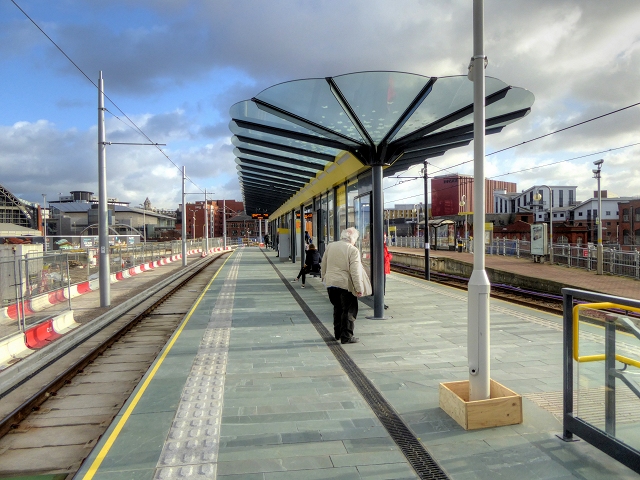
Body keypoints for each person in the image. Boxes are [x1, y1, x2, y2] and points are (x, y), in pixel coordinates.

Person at [321, 227, 368, 344]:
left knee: (337, 308)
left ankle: (337, 333)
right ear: (353, 239)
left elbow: (324, 263)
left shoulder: (331, 246)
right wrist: (359, 288)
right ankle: (346, 336)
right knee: (348, 310)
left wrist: (324, 278)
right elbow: (355, 271)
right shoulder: (352, 250)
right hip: (345, 284)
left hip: (331, 283)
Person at [383, 234, 392, 310]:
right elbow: (385, 257)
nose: (385, 239)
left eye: (385, 238)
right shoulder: (381, 246)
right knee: (382, 286)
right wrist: (390, 256)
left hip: (384, 269)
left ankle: (382, 302)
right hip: (382, 269)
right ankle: (381, 303)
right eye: (384, 238)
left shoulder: (384, 246)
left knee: (383, 286)